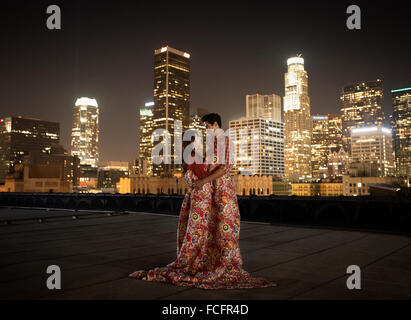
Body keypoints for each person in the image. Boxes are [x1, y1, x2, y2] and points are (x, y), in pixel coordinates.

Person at [129, 120, 277, 289]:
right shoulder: (194, 156)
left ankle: (200, 259)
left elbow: (218, 168)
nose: (204, 136)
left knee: (201, 232)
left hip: (201, 201)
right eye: (199, 137)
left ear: (215, 124)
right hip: (202, 202)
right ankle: (203, 260)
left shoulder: (209, 149)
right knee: (200, 231)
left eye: (206, 127)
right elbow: (203, 176)